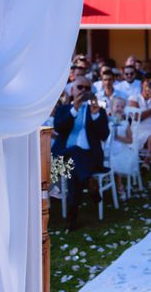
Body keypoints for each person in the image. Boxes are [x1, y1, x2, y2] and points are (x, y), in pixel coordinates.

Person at [51, 77, 109, 231]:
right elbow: (59, 127)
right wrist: (74, 109)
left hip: (89, 158)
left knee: (74, 166)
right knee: (75, 154)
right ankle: (89, 182)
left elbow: (104, 135)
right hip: (61, 158)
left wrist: (96, 115)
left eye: (87, 88)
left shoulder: (97, 111)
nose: (83, 91)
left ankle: (72, 218)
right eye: (80, 87)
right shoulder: (64, 109)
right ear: (72, 90)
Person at [108, 96, 138, 200]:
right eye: (117, 106)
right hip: (108, 150)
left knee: (117, 162)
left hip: (121, 150)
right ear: (112, 107)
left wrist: (118, 137)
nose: (119, 108)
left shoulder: (125, 124)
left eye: (122, 106)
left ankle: (119, 186)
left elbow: (130, 140)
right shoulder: (108, 122)